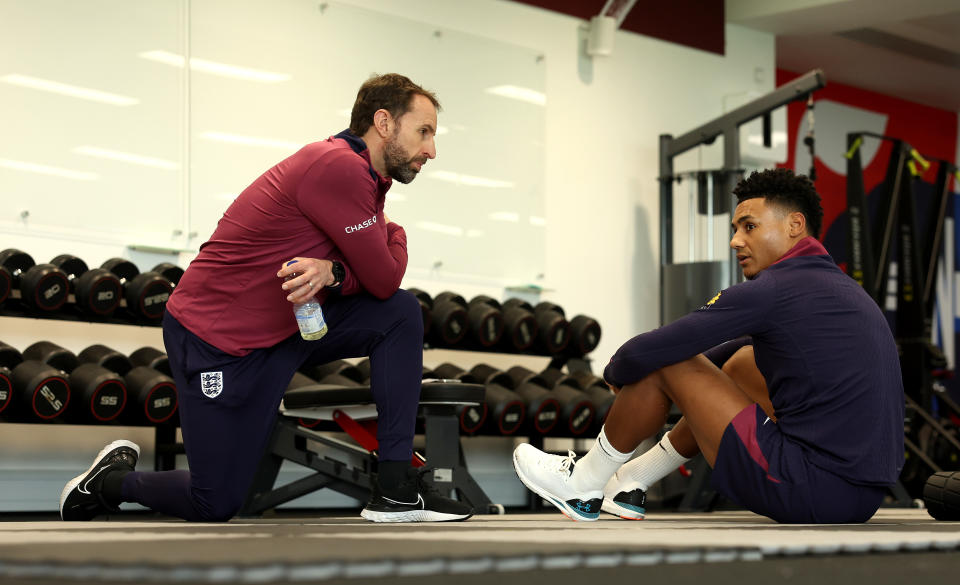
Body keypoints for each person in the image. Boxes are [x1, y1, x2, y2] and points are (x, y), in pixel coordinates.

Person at [60, 73, 472, 523]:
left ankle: (395, 488)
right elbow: (383, 277)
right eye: (425, 132)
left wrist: (334, 271)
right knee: (215, 501)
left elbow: (376, 285)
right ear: (384, 122)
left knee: (399, 315)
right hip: (215, 341)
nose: (431, 149)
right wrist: (395, 231)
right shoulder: (338, 167)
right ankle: (108, 484)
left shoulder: (366, 176)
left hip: (283, 332)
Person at [513, 168, 904, 524]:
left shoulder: (774, 289)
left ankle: (584, 481)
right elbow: (736, 347)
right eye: (736, 229)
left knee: (666, 359)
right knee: (743, 363)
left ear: (794, 225)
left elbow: (652, 350)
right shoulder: (839, 289)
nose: (736, 241)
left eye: (749, 226)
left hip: (807, 487)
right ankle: (631, 481)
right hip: (858, 499)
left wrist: (621, 369)